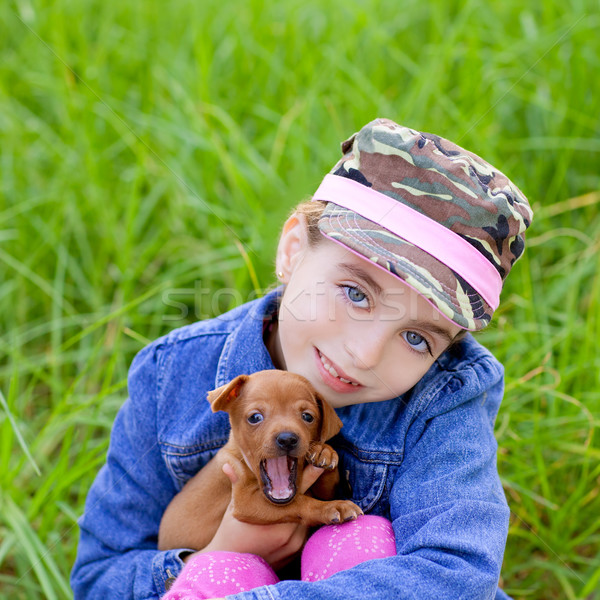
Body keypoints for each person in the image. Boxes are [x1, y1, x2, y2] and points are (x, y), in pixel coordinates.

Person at [71, 118, 533, 600]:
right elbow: (99, 576)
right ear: (293, 250)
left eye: (417, 338)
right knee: (213, 577)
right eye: (355, 293)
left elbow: (457, 568)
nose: (364, 353)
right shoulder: (173, 374)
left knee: (363, 544)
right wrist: (208, 561)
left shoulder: (444, 398)